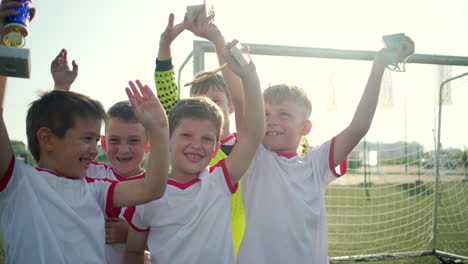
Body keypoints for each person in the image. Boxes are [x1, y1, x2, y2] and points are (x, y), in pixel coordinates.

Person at [0, 3, 170, 259]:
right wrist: (4, 38)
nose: (95, 149)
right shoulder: (19, 183)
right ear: (46, 139)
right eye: (87, 139)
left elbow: (152, 188)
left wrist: (159, 130)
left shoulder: (95, 189)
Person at [236, 38, 415, 264]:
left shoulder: (315, 162)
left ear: (305, 128)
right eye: (266, 114)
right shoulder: (255, 158)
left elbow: (358, 128)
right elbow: (242, 106)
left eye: (284, 114)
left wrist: (378, 66)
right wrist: (240, 68)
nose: (272, 121)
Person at [125, 39, 265, 264]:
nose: (196, 144)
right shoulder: (146, 192)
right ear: (168, 139)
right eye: (186, 135)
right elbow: (133, 252)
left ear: (216, 148)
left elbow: (254, 133)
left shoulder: (220, 180)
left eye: (207, 138)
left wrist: (249, 75)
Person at [154, 12, 247, 253]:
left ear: (232, 107)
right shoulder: (188, 142)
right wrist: (165, 45)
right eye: (201, 100)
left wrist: (217, 40)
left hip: (241, 252)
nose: (209, 106)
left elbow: (243, 96)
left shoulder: (243, 147)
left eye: (216, 100)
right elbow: (167, 93)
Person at [50, 49, 152, 264]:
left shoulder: (159, 188)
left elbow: (169, 244)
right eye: (115, 140)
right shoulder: (88, 171)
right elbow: (55, 152)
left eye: (133, 141)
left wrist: (134, 237)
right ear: (103, 143)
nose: (123, 149)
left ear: (148, 145)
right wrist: (61, 89)